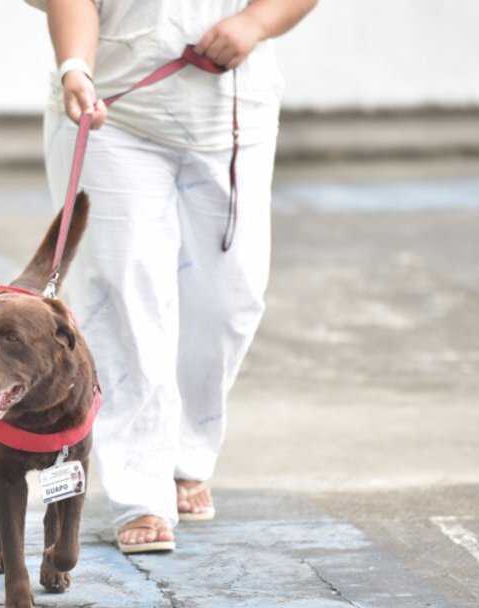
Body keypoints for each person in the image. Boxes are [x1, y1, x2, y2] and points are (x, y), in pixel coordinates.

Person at [26, 0, 317, 552]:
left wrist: (254, 23)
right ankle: (141, 492)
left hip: (234, 118)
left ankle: (188, 454)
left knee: (229, 303)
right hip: (114, 112)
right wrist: (74, 67)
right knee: (126, 302)